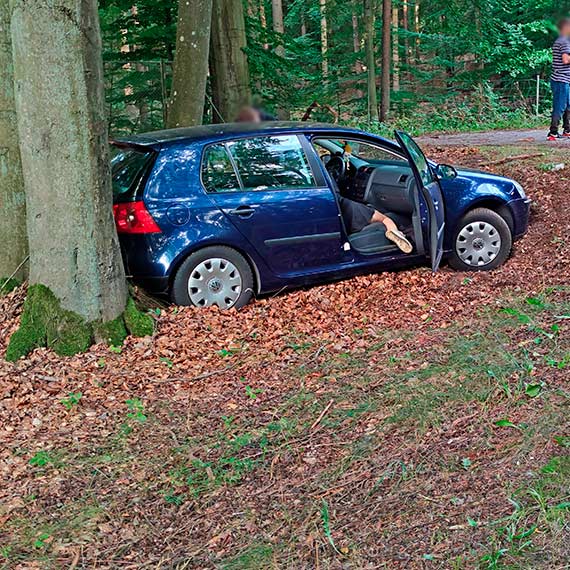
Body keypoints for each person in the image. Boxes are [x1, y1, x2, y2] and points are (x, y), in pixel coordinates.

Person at [547, 18, 570, 141]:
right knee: (560, 106)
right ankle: (553, 132)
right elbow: (566, 60)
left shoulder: (560, 41)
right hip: (561, 79)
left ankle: (567, 130)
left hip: (563, 79)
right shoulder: (564, 42)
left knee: (568, 106)